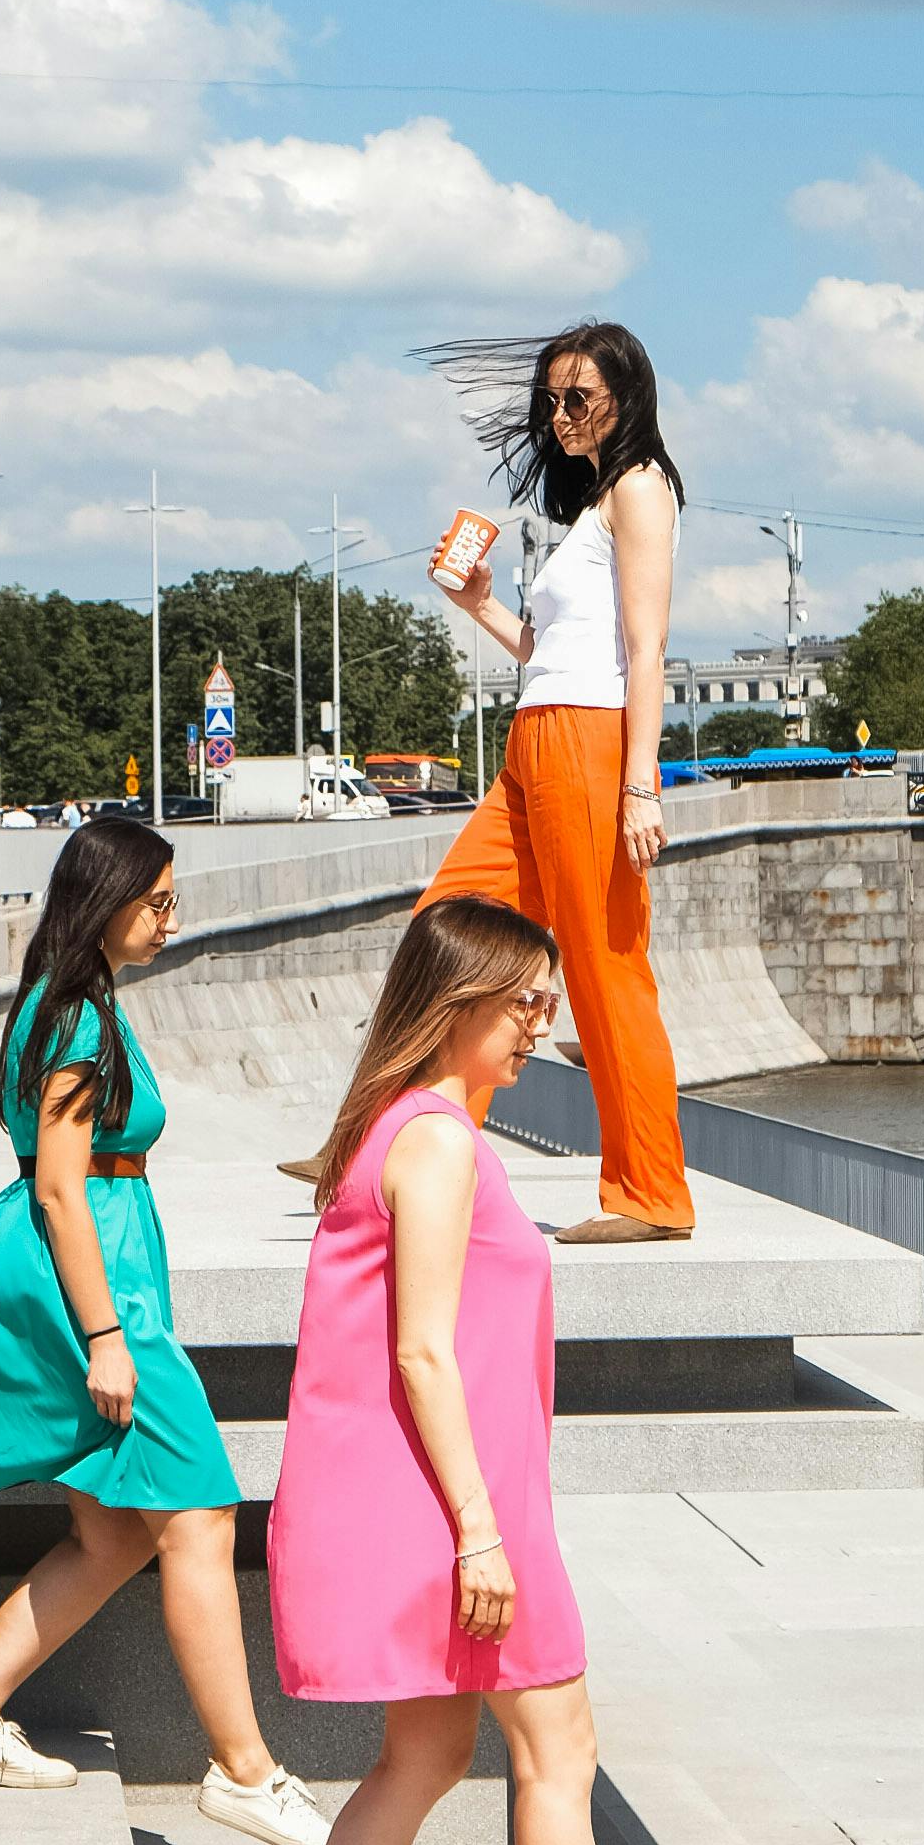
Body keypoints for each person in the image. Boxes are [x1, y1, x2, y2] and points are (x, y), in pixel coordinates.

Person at [229, 895, 714, 1845]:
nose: (540, 1023)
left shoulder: (392, 1129)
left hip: (416, 1507)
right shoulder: (436, 1141)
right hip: (453, 1513)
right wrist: (482, 1531)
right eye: (526, 1003)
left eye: (546, 1002)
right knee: (560, 1751)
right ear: (459, 1005)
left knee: (428, 1754)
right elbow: (424, 1354)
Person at [0, 814, 331, 1845]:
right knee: (202, 1512)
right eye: (158, 900)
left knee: (115, 1533)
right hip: (92, 1284)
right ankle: (246, 1773)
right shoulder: (75, 1018)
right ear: (109, 898)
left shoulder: (65, 1001)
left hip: (88, 1270)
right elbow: (60, 1189)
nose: (171, 919)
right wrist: (106, 1336)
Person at [416, 317, 693, 1243]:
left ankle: (650, 1194)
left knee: (608, 969)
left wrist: (640, 787)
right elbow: (550, 648)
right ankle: (414, 1139)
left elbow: (645, 650)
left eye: (579, 397)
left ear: (626, 396)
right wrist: (479, 602)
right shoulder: (591, 506)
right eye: (552, 399)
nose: (561, 414)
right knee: (447, 925)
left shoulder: (643, 490)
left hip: (588, 742)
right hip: (533, 736)